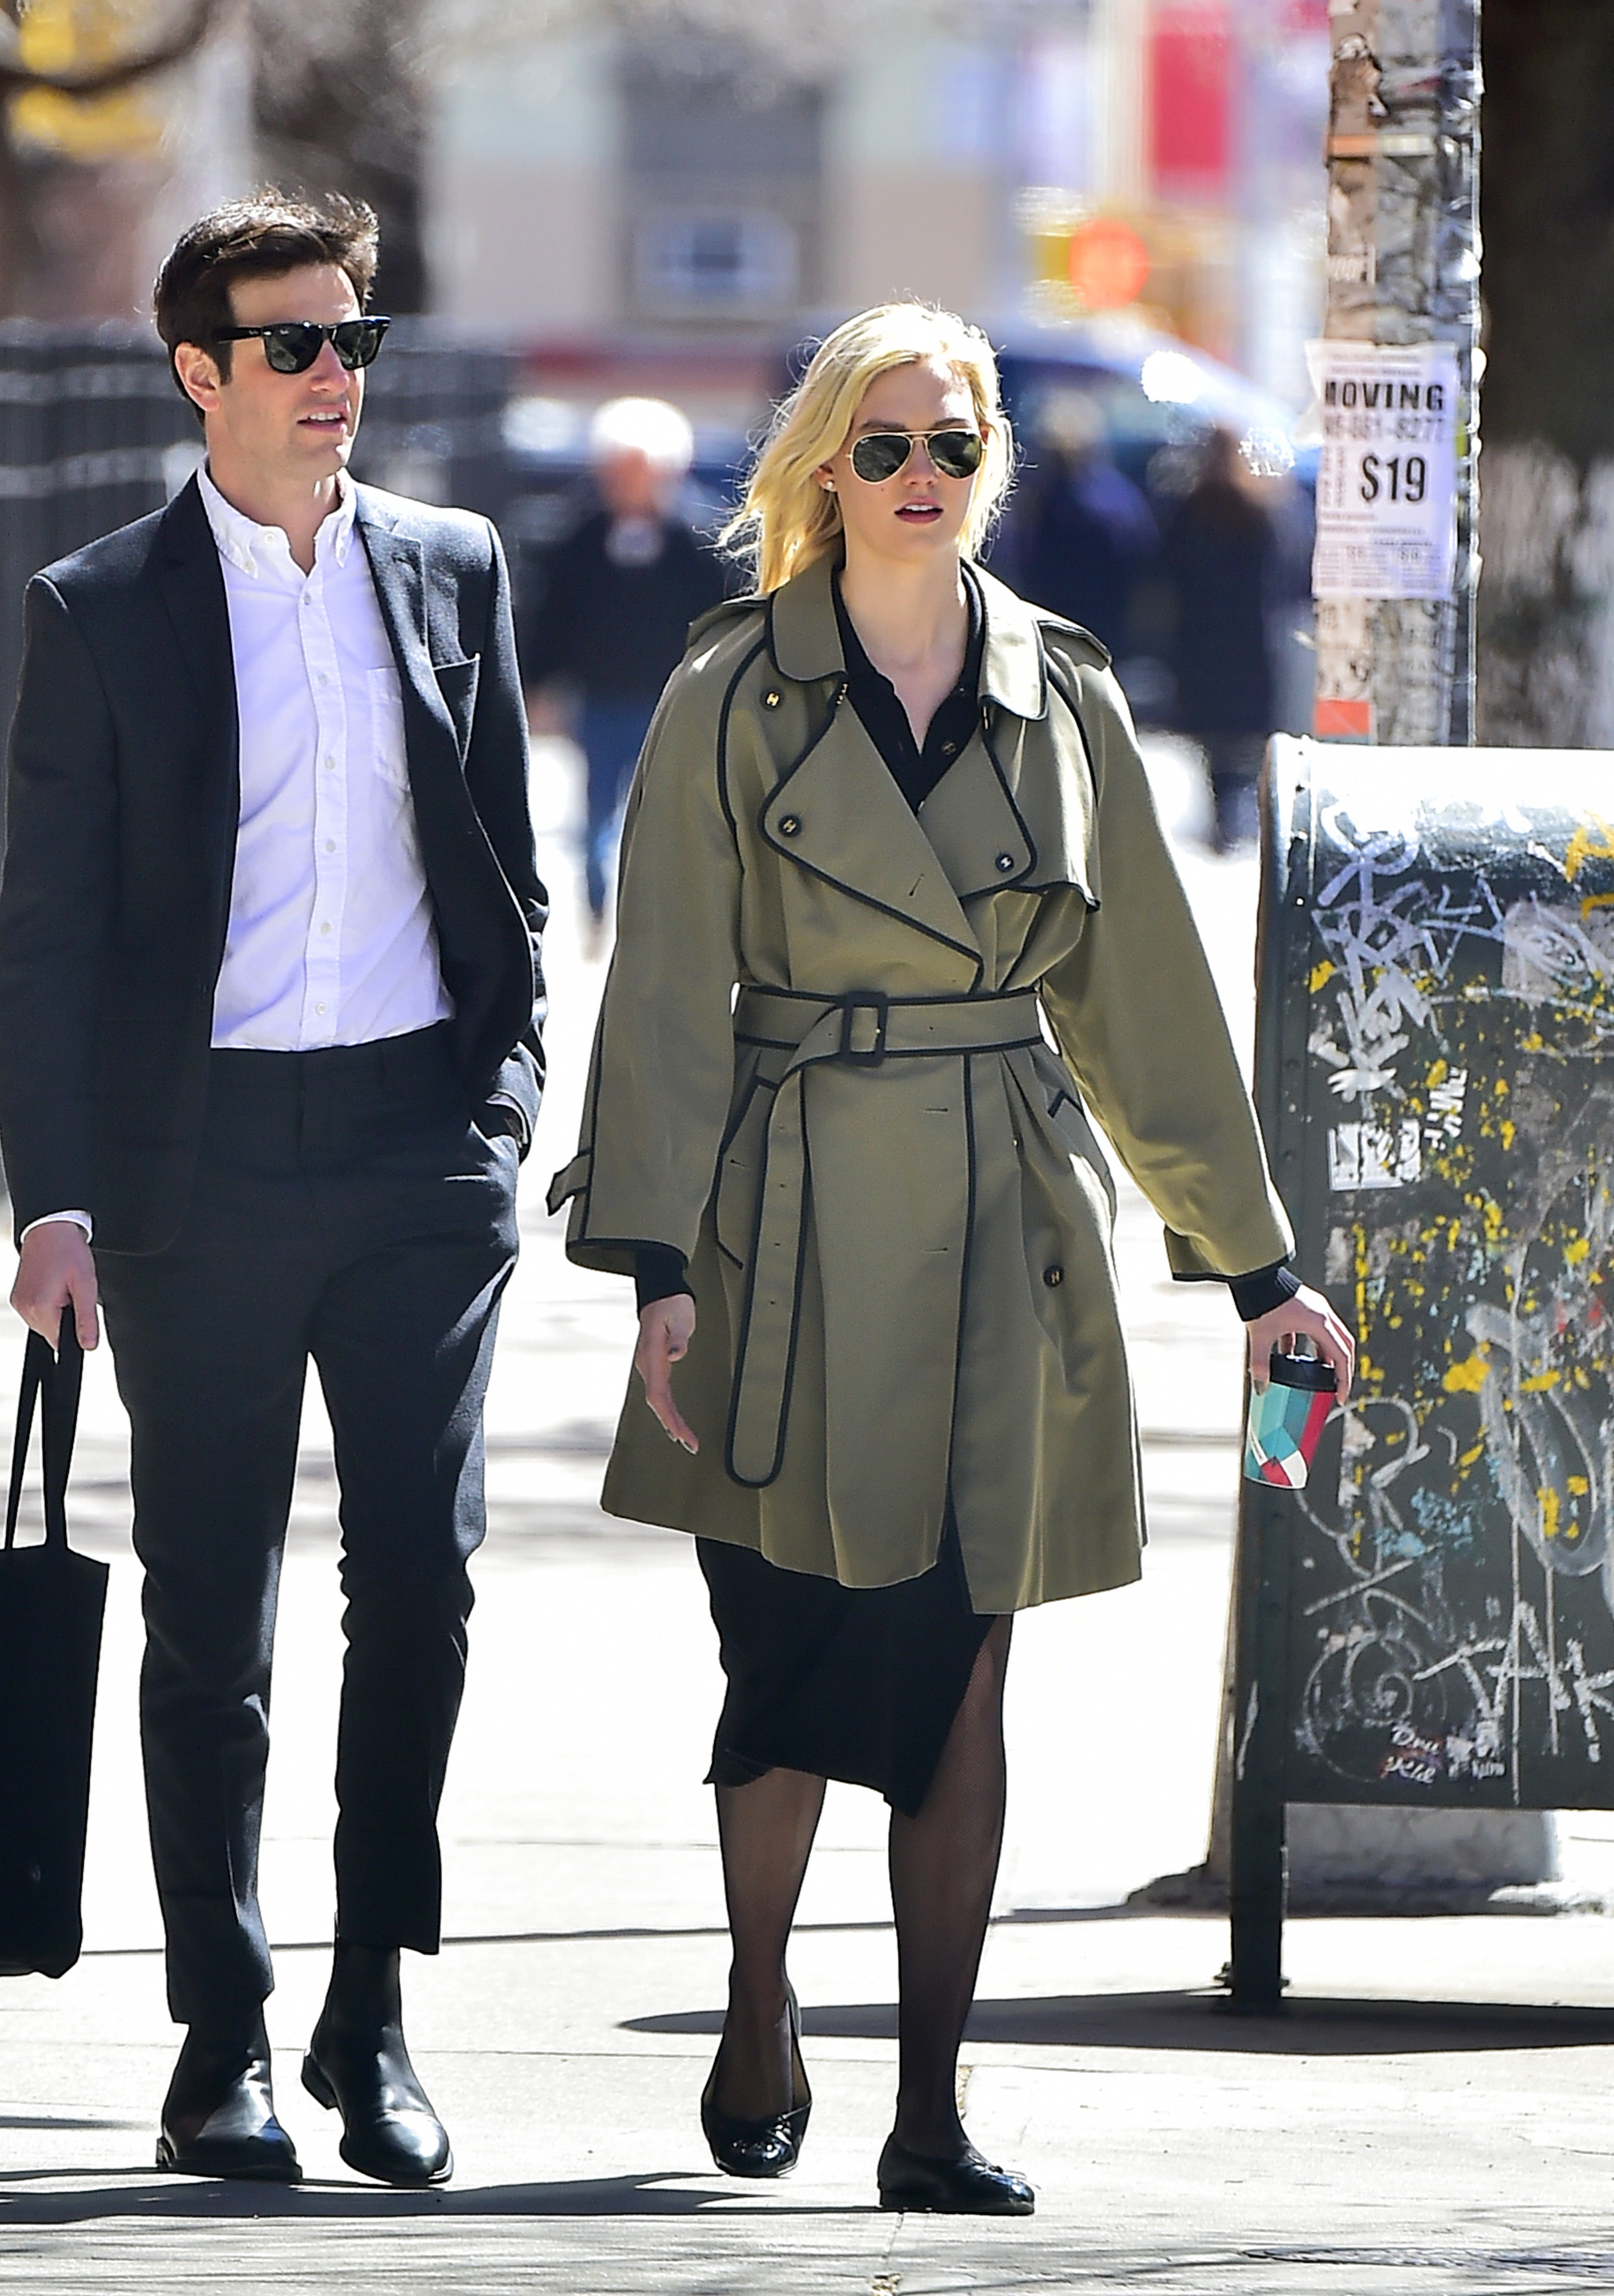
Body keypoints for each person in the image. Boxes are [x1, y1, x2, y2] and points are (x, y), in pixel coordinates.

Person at [548, 302, 1352, 2216]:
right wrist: (654, 1256)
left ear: (992, 464)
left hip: (1005, 1214)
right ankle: (761, 1995)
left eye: (956, 446)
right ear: (826, 466)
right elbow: (664, 981)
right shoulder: (732, 688)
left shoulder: (1063, 692)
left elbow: (1144, 1001)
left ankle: (929, 2103)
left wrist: (1258, 1268)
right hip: (781, 1211)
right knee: (782, 1647)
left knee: (962, 1669)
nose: (923, 477)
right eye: (887, 445)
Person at [0, 190, 545, 2190]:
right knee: (206, 1613)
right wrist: (55, 1205)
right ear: (198, 373)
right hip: (195, 1171)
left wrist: (500, 1113)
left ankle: (368, 2015)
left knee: (422, 1588)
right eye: (290, 344)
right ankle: (217, 2033)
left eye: (350, 340)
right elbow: (45, 936)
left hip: (415, 1161)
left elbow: (504, 862)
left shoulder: (451, 567)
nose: (332, 376)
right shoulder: (100, 606)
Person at [524, 397, 733, 943]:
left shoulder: (701, 541)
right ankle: (598, 910)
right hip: (600, 698)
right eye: (616, 472)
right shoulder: (578, 538)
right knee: (596, 812)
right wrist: (538, 685)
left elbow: (726, 620)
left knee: (664, 812)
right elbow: (553, 617)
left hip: (671, 701)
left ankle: (651, 916)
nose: (628, 484)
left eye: (641, 471)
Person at [1164, 424, 1283, 850]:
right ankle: (1243, 815)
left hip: (1203, 641)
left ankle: (1225, 817)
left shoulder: (1191, 508)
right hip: (1246, 639)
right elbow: (1278, 572)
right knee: (1245, 740)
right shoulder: (1259, 509)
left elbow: (1170, 572)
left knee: (1215, 743)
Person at [997, 387, 1156, 659]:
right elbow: (1141, 558)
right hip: (1103, 623)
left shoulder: (1046, 501)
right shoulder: (1116, 496)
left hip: (1062, 625)